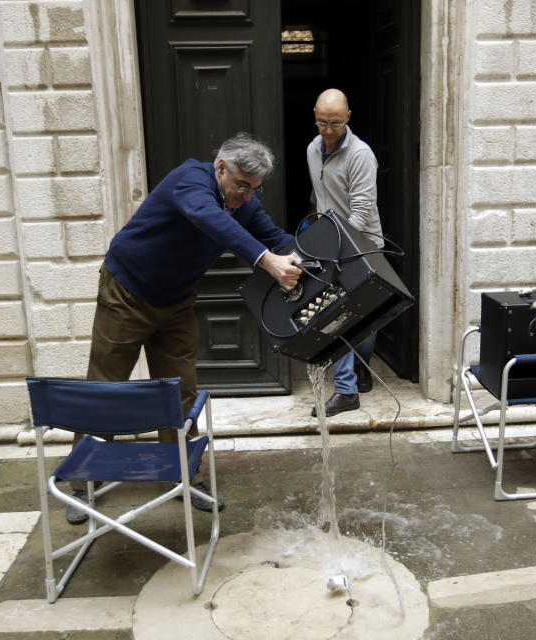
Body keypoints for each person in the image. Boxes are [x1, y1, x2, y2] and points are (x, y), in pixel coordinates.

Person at [66, 132, 302, 524]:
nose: (246, 196)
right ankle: (80, 482)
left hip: (175, 302)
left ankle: (182, 477)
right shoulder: (190, 181)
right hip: (126, 292)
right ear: (221, 167)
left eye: (254, 188)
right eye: (241, 185)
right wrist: (267, 262)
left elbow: (276, 237)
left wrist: (314, 254)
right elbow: (209, 221)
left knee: (179, 391)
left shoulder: (245, 204)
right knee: (105, 385)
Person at [306, 88, 384, 417]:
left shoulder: (360, 154)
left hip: (361, 245)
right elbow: (319, 194)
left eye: (335, 123)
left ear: (348, 118)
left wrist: (340, 247)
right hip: (330, 242)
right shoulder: (312, 148)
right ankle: (352, 380)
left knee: (354, 318)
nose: (327, 130)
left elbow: (361, 209)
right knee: (345, 316)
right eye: (322, 122)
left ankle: (352, 379)